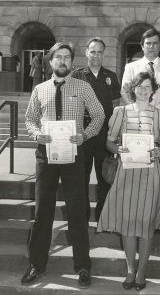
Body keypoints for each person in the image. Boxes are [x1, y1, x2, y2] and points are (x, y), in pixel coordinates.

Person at [22, 42, 105, 288]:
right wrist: (37, 134)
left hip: (73, 155)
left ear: (72, 61)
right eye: (58, 57)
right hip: (46, 155)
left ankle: (83, 267)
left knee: (77, 212)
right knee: (42, 212)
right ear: (50, 61)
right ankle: (36, 264)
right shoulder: (40, 89)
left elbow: (99, 114)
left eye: (67, 57)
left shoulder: (83, 86)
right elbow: (29, 119)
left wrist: (86, 135)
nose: (62, 61)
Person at [97, 72, 160, 291]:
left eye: (148, 86)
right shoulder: (120, 112)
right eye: (140, 86)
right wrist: (117, 148)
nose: (144, 90)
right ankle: (130, 270)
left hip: (150, 174)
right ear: (133, 88)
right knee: (128, 224)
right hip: (127, 172)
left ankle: (142, 271)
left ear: (153, 89)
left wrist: (159, 151)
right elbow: (109, 143)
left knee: (146, 225)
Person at [72, 37, 121, 222]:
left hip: (104, 135)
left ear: (103, 54)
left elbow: (116, 108)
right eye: (93, 51)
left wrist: (116, 134)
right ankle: (81, 217)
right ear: (86, 52)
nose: (96, 55)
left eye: (100, 52)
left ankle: (103, 216)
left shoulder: (111, 76)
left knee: (104, 178)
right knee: (81, 177)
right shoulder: (76, 75)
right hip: (82, 134)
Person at [121, 28, 160, 171]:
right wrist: (140, 110)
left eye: (155, 43)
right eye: (148, 43)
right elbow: (125, 91)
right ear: (142, 46)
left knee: (158, 167)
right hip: (136, 124)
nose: (151, 46)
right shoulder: (131, 67)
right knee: (134, 167)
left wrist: (157, 111)